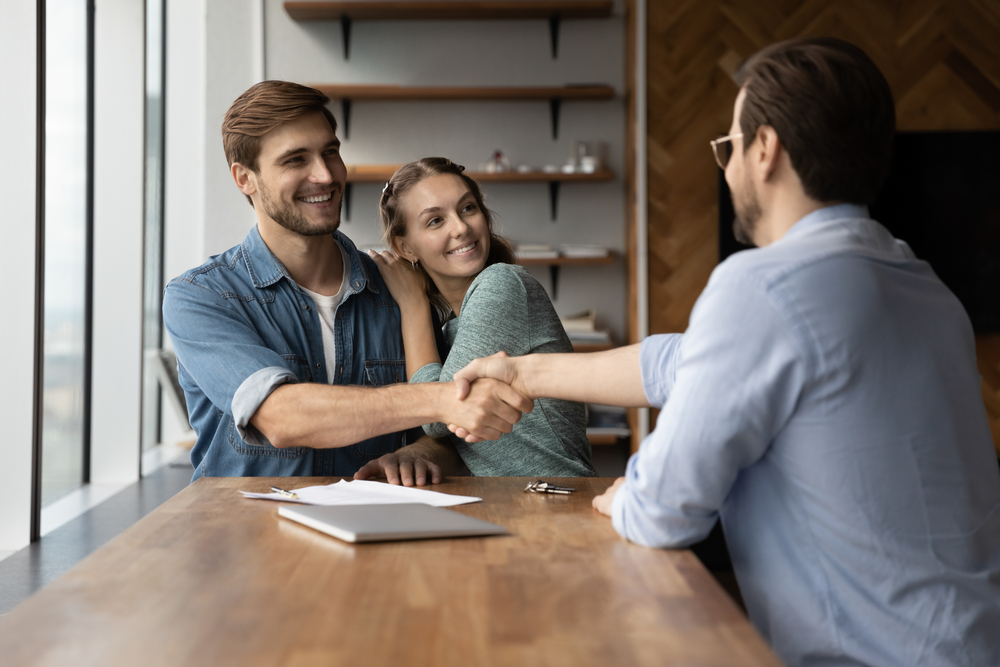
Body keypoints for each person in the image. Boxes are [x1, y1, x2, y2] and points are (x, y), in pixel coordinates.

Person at [451, 38, 1000, 667]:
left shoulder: (765, 285)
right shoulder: (924, 289)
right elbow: (682, 362)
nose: (727, 165)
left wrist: (627, 494)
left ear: (764, 149)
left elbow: (664, 512)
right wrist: (523, 370)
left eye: (729, 146)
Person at [162, 81, 532, 485]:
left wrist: (420, 453)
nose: (324, 175)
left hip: (375, 536)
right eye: (295, 160)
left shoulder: (404, 288)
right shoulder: (200, 297)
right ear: (244, 178)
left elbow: (451, 435)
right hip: (249, 537)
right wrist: (445, 401)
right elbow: (283, 417)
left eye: (330, 152)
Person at [367, 158, 596, 477]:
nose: (461, 228)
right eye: (435, 221)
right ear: (405, 247)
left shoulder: (502, 285)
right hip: (511, 506)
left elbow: (436, 414)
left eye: (467, 208)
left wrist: (412, 303)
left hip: (560, 505)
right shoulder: (448, 328)